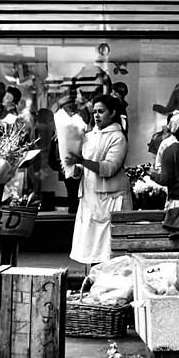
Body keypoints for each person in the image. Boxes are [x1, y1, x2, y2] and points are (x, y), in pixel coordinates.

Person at [65, 94, 130, 266]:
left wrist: (82, 161)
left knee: (108, 250)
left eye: (101, 111)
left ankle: (106, 286)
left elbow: (109, 168)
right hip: (89, 196)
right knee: (90, 248)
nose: (96, 115)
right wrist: (75, 168)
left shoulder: (118, 137)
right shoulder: (88, 135)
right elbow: (83, 168)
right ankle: (92, 285)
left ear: (113, 113)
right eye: (94, 112)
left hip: (111, 198)